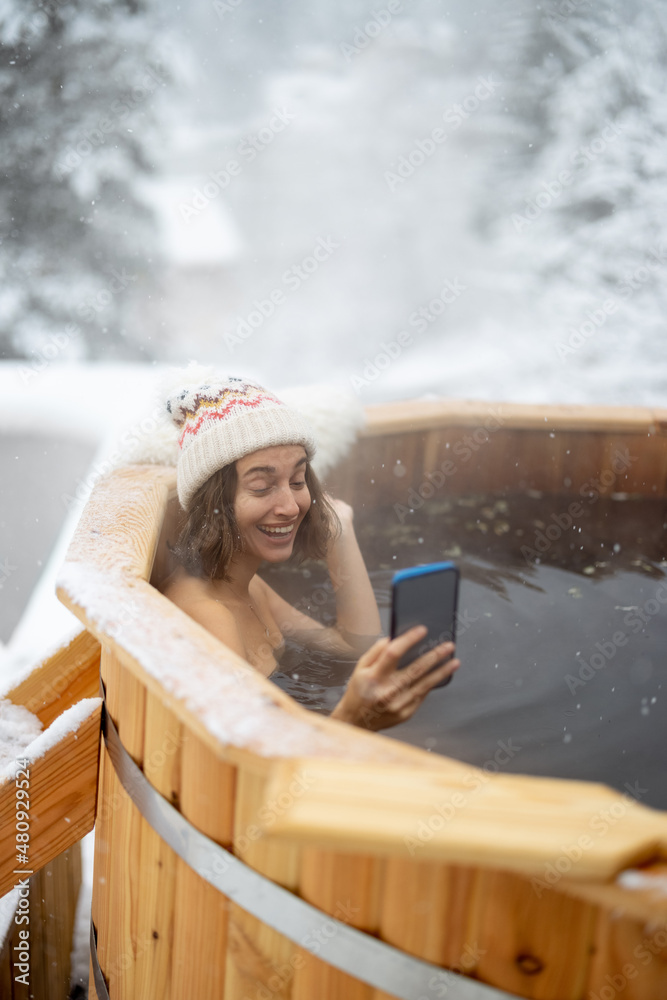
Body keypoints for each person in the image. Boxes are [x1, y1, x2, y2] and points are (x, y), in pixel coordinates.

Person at [162, 374, 459, 731]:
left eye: (298, 481)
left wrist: (341, 534)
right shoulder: (211, 618)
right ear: (213, 502)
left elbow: (352, 646)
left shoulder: (246, 586)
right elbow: (253, 765)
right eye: (261, 486)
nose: (290, 506)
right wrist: (355, 717)